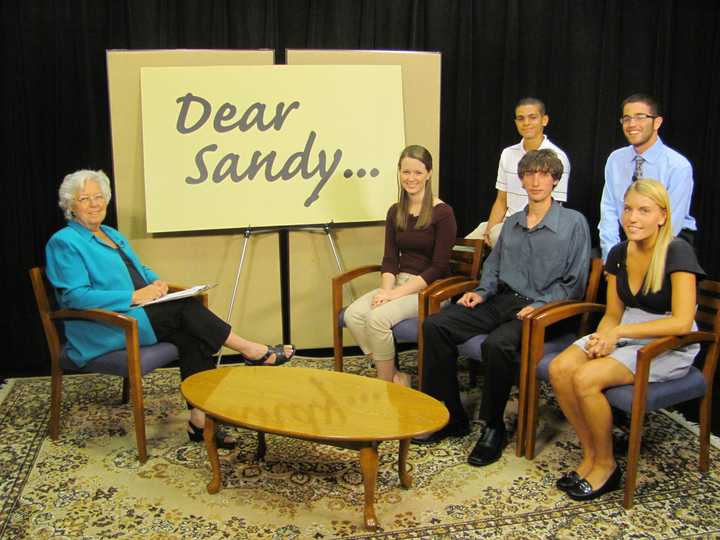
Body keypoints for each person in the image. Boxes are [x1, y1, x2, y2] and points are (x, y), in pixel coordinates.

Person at [45, 169, 296, 449]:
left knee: (193, 334)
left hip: (137, 315)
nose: (94, 204)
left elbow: (139, 269)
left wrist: (155, 281)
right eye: (85, 199)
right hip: (107, 327)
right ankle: (251, 350)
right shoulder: (64, 242)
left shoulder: (111, 233)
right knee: (185, 310)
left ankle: (199, 420)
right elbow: (75, 297)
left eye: (99, 197)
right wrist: (134, 295)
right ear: (71, 205)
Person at [416, 149, 591, 469]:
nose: (536, 181)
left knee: (498, 343)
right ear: (522, 180)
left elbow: (574, 283)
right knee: (435, 325)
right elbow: (493, 266)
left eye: (543, 174)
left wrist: (540, 306)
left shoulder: (573, 223)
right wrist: (481, 292)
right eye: (529, 174)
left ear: (555, 179)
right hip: (503, 300)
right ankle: (451, 416)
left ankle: (493, 426)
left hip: (547, 310)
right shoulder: (512, 222)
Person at [549, 179, 704, 501]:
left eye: (644, 211)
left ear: (662, 215)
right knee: (560, 368)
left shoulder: (678, 250)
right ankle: (591, 454)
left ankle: (607, 465)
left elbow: (681, 321)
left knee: (587, 378)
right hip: (626, 330)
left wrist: (617, 334)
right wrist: (604, 337)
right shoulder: (619, 252)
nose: (633, 218)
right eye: (628, 209)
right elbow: (613, 314)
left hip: (670, 340)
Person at [344, 145, 457, 386]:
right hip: (399, 283)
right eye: (406, 172)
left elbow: (438, 266)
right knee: (354, 315)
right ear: (399, 173)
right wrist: (386, 290)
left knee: (376, 319)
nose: (411, 178)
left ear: (429, 173)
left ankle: (384, 385)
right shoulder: (395, 211)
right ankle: (396, 377)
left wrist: (394, 294)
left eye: (417, 172)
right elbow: (390, 259)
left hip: (431, 290)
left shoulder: (443, 212)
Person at [599, 93, 697, 260]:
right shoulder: (615, 159)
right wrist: (611, 257)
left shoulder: (678, 166)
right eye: (627, 119)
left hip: (669, 242)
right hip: (628, 236)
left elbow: (672, 224)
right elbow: (608, 212)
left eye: (640, 117)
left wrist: (645, 263)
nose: (632, 124)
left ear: (657, 122)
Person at [467, 97, 570, 247]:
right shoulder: (507, 154)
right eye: (521, 118)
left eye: (532, 117)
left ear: (544, 120)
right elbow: (501, 200)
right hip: (506, 223)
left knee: (498, 237)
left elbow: (555, 207)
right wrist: (489, 230)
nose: (526, 123)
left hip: (535, 227)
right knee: (461, 249)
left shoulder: (557, 157)